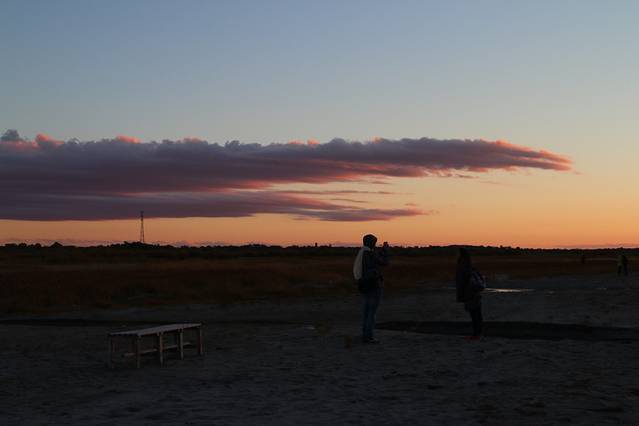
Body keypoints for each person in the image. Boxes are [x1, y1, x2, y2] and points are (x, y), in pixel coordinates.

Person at [353, 234, 389, 344]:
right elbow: (384, 262)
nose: (375, 244)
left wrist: (381, 252)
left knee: (367, 312)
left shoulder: (363, 252)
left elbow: (375, 260)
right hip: (373, 286)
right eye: (374, 242)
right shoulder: (369, 253)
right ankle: (368, 337)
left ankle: (365, 335)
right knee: (371, 313)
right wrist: (386, 251)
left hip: (365, 286)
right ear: (370, 242)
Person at [456, 248, 483, 340]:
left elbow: (461, 282)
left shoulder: (463, 266)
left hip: (469, 294)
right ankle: (478, 334)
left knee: (474, 314)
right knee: (477, 314)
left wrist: (461, 296)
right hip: (475, 293)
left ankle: (476, 335)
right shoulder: (470, 266)